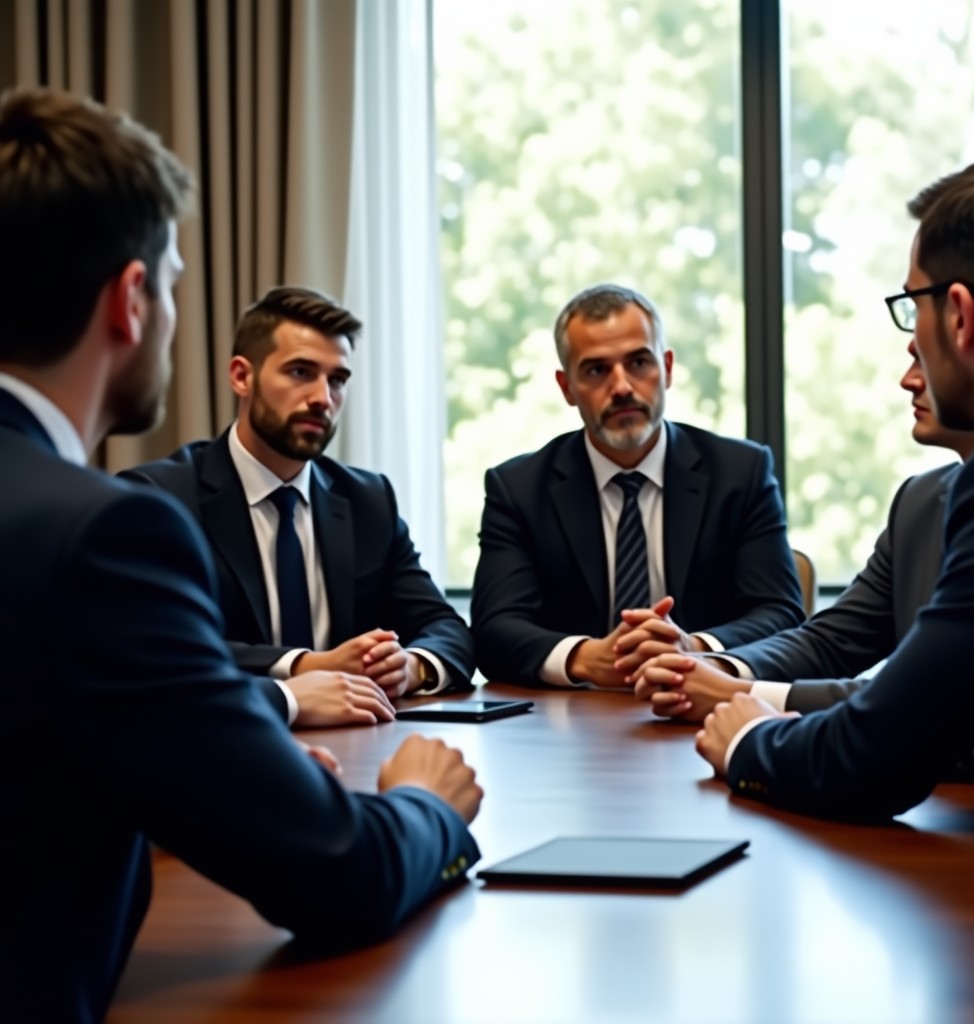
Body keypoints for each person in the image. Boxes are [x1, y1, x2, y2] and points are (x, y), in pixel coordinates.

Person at [0, 87, 482, 1024]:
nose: (323, 396)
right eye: (174, 282)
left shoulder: (366, 498)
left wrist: (222, 750)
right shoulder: (110, 531)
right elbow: (338, 876)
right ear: (132, 300)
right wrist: (426, 803)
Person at [688, 152, 974, 851]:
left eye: (913, 304)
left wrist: (749, 737)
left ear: (958, 314)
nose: (911, 359)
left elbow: (882, 751)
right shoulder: (949, 491)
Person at [123, 286, 475, 727]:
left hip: (357, 743)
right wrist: (305, 666)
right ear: (241, 377)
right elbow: (164, 645)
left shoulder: (368, 500)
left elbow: (447, 628)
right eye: (300, 372)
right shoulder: (161, 496)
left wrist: (410, 667)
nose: (322, 398)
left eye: (337, 380)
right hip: (217, 742)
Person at [632, 348, 974, 734]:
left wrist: (743, 693)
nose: (908, 380)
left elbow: (939, 702)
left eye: (924, 359)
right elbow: (831, 641)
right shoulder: (918, 500)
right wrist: (709, 666)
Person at [470, 283, 805, 688]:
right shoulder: (518, 489)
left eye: (639, 363)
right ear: (567, 388)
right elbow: (494, 630)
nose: (623, 386)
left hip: (706, 703)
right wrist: (584, 657)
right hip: (572, 720)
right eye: (596, 370)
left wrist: (694, 648)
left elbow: (780, 611)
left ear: (667, 368)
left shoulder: (741, 472)